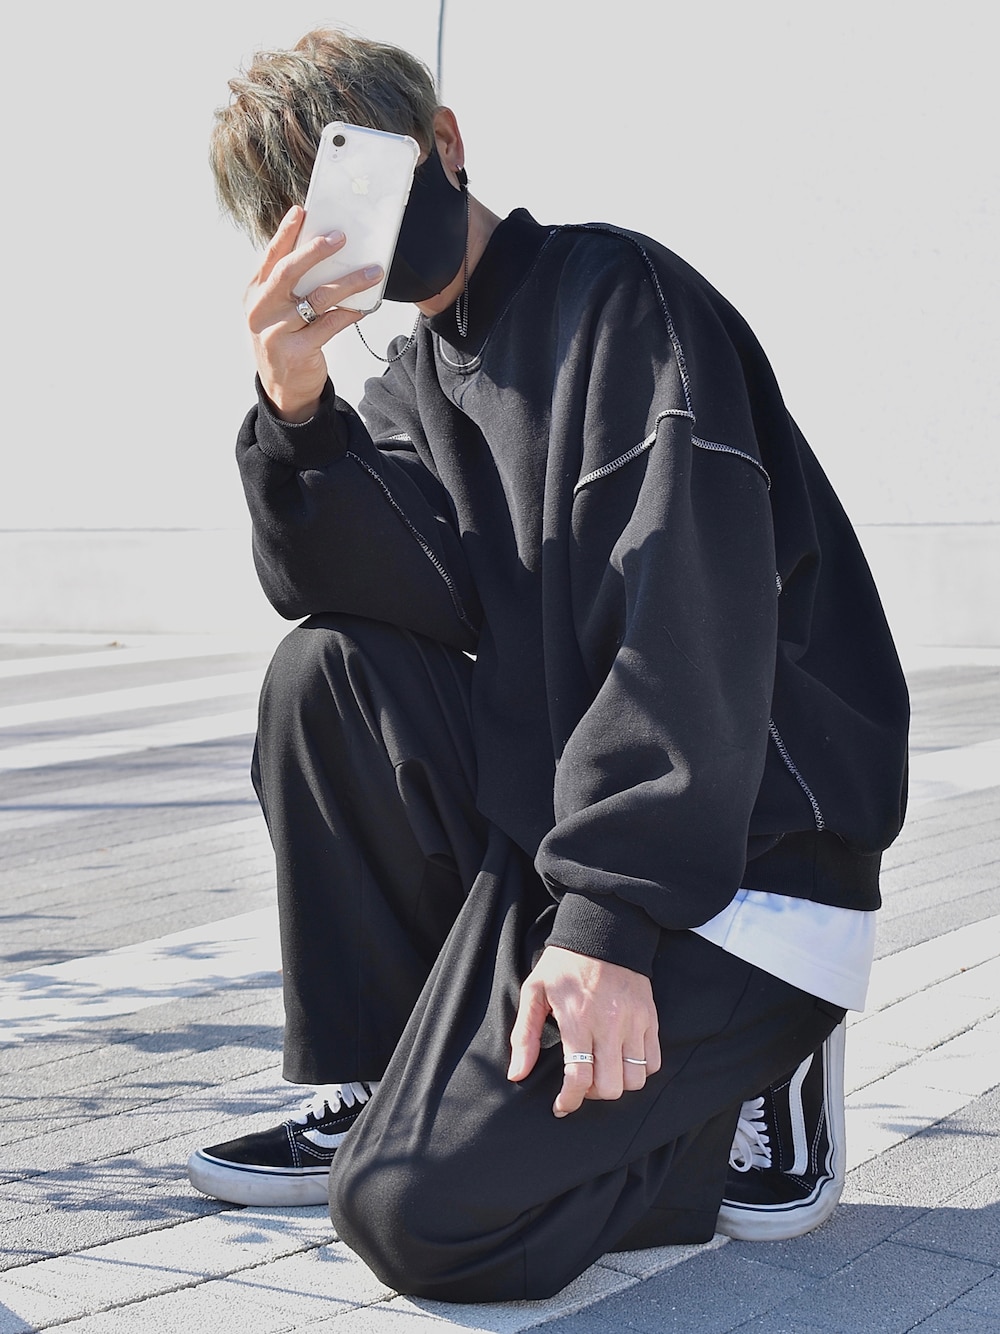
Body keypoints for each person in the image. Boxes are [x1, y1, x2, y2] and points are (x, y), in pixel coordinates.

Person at [189, 28, 910, 1303]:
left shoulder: (618, 299)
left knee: (413, 1215)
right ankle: (395, 1072)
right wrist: (297, 417)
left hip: (742, 861)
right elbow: (363, 598)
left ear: (445, 146)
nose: (340, 232)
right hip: (585, 845)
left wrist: (606, 924)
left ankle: (760, 1060)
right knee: (326, 670)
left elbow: (686, 616)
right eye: (301, 215)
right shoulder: (416, 381)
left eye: (352, 180)